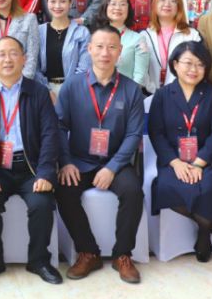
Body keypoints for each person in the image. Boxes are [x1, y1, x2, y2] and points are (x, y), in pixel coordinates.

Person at [0, 36, 62, 285]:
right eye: (1, 54)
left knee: (42, 204)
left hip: (31, 167)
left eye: (13, 53)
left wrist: (45, 173)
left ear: (24, 59)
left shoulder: (39, 93)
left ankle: (39, 261)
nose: (7, 59)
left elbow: (50, 135)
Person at [55, 25, 145, 284]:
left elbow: (133, 135)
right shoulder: (72, 86)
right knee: (64, 190)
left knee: (133, 191)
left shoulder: (131, 89)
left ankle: (122, 255)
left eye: (112, 47)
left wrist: (112, 168)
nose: (105, 53)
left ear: (120, 51)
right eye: (100, 47)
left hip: (116, 161)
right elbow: (59, 127)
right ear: (89, 49)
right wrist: (66, 162)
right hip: (79, 161)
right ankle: (88, 252)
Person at [147, 41, 212, 262]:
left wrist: (199, 163)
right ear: (175, 64)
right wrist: (175, 163)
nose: (194, 69)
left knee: (209, 187)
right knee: (166, 187)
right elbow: (156, 133)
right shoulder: (162, 95)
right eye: (188, 63)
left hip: (208, 160)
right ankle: (208, 224)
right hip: (174, 160)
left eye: (200, 64)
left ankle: (203, 234)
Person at [141, 0, 202, 94]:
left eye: (173, 0)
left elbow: (198, 66)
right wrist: (151, 88)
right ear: (154, 4)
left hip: (183, 94)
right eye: (162, 0)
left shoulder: (192, 35)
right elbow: (141, 70)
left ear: (179, 6)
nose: (167, 4)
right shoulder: (144, 36)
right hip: (150, 95)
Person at [36, 0, 91, 103]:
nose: (57, 6)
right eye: (53, 1)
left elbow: (84, 68)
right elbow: (35, 67)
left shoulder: (82, 32)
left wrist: (67, 91)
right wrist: (47, 91)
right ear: (47, 2)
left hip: (74, 92)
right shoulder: (38, 31)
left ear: (70, 2)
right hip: (44, 91)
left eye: (62, 1)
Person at [92, 0, 149, 86]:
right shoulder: (96, 37)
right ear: (105, 7)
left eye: (122, 4)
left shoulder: (138, 39)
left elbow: (140, 76)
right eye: (113, 4)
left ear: (128, 9)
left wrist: (130, 93)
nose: (118, 8)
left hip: (127, 93)